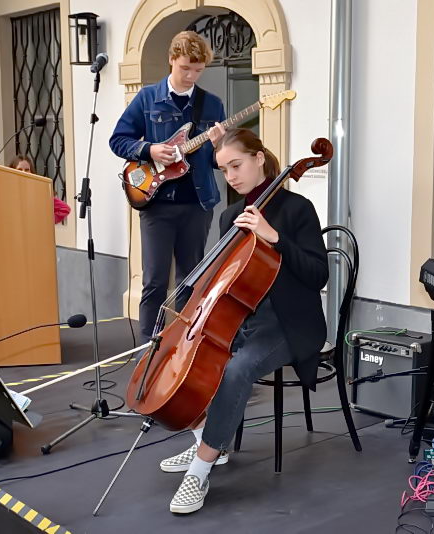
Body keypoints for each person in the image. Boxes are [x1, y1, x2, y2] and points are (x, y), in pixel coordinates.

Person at [158, 128, 328, 514]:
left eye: (236, 166)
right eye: (224, 170)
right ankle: (208, 441)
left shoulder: (297, 209)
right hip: (242, 319)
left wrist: (274, 237)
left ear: (258, 159)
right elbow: (222, 277)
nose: (231, 177)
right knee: (188, 361)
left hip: (289, 323)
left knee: (236, 369)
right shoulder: (231, 216)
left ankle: (200, 471)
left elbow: (318, 275)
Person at [109, 30, 227, 343]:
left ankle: (183, 349)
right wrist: (149, 149)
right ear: (171, 59)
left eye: (198, 70)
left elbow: (218, 161)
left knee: (191, 281)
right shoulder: (147, 98)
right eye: (185, 68)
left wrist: (219, 146)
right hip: (156, 204)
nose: (191, 76)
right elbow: (117, 140)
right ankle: (147, 353)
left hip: (197, 205)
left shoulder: (212, 105)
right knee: (154, 282)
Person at [9, 154, 71, 224]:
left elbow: (64, 209)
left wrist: (45, 222)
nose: (23, 172)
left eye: (27, 170)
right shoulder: (6, 190)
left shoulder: (39, 190)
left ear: (31, 171)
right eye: (19, 169)